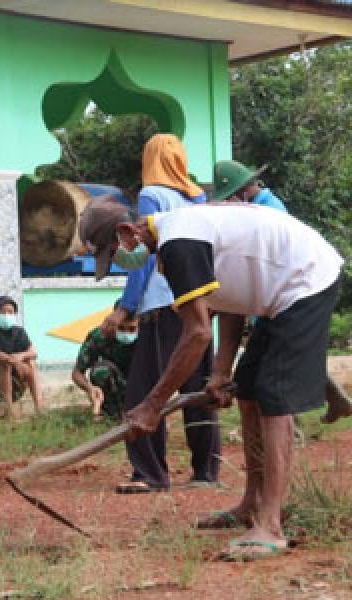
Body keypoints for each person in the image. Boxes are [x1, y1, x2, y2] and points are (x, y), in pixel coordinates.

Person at [79, 196, 342, 560]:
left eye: (114, 252)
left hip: (305, 278)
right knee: (248, 389)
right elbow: (229, 299)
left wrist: (152, 405)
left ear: (126, 232)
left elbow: (198, 333)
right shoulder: (176, 240)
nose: (121, 262)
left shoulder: (179, 244)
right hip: (272, 292)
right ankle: (250, 504)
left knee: (272, 395)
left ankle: (271, 525)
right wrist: (220, 372)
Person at [101, 134, 221, 493]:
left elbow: (144, 255)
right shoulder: (199, 197)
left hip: (162, 303)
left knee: (143, 390)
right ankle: (206, 472)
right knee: (197, 389)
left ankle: (149, 473)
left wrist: (125, 307)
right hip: (198, 299)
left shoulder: (152, 195)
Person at [0, 296, 42, 418]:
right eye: (3, 312)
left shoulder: (19, 332)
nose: (7, 315)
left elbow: (33, 352)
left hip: (16, 389)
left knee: (30, 366)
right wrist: (12, 360)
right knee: (4, 364)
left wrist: (21, 356)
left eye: (10, 312)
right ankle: (9, 412)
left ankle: (39, 409)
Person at [72, 309, 138, 421]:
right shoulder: (100, 336)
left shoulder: (148, 338)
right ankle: (112, 414)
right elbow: (77, 373)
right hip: (114, 384)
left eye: (132, 329)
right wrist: (90, 388)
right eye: (121, 328)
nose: (127, 334)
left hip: (139, 384)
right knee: (100, 371)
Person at [212, 160, 287, 210]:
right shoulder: (260, 204)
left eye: (228, 198)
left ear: (242, 192)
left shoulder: (268, 209)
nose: (228, 202)